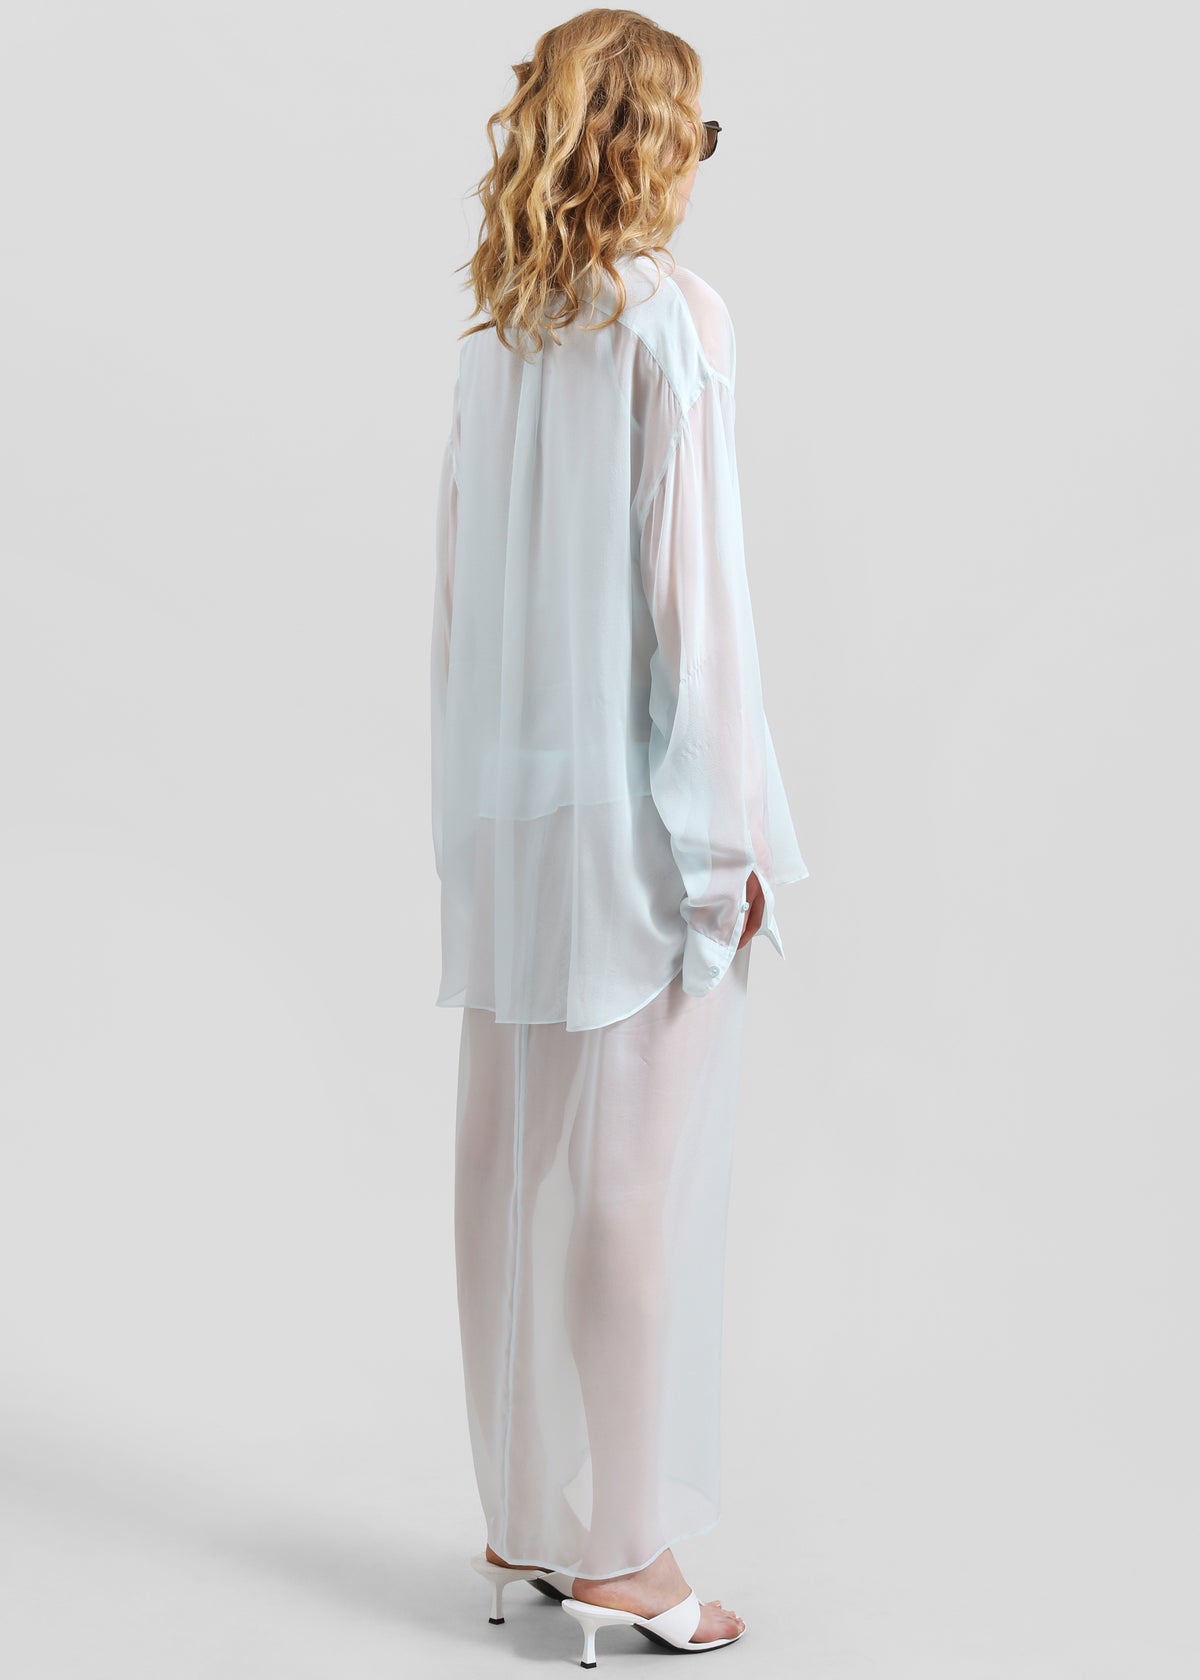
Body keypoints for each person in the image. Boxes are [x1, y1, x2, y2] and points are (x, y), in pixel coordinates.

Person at [430, 9, 809, 1664]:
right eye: (694, 135)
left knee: (510, 1162)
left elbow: (459, 618)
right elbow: (694, 608)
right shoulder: (672, 319)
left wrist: (469, 826)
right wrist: (728, 849)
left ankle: (527, 1518)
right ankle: (630, 1559)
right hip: (641, 822)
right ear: (647, 141)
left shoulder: (498, 339)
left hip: (512, 816)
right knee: (632, 1186)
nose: (699, 166)